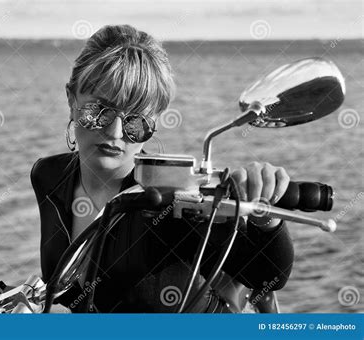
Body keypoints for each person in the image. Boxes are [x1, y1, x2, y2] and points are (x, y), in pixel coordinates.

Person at [30, 24, 294, 313]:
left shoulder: (171, 197)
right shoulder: (48, 176)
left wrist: (264, 217)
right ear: (71, 100)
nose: (116, 132)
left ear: (155, 121)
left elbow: (265, 275)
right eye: (99, 111)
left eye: (136, 120)